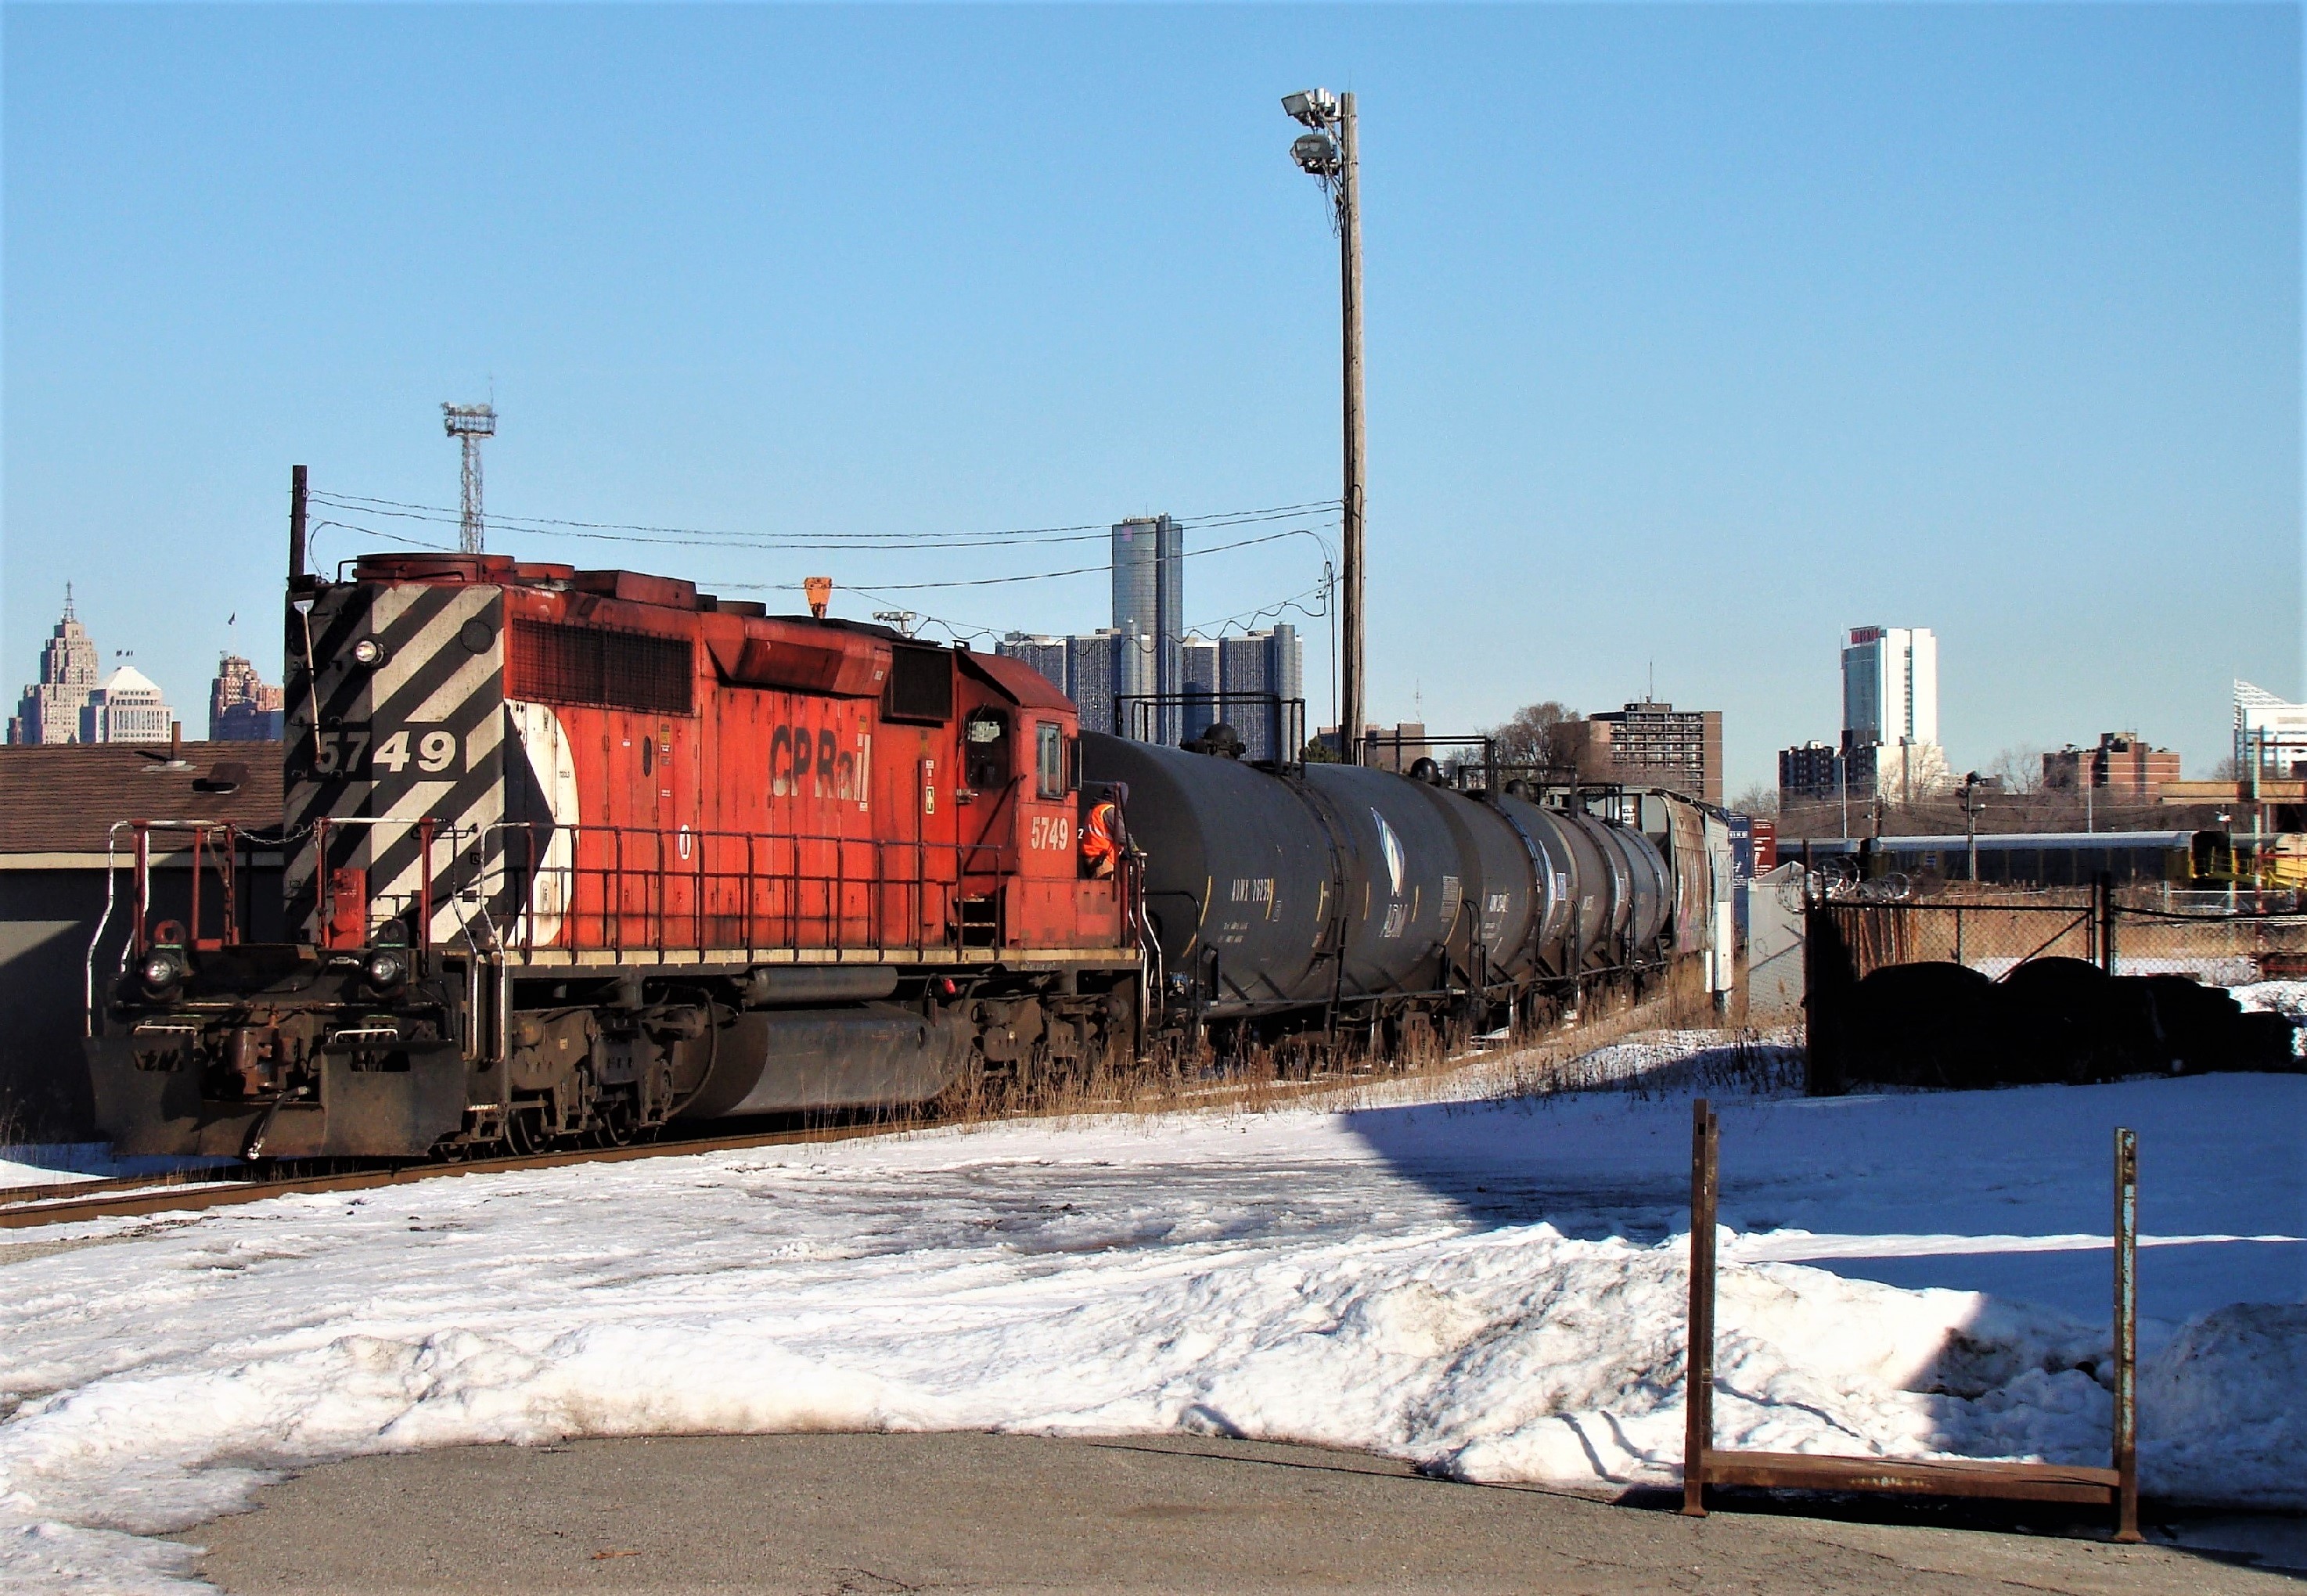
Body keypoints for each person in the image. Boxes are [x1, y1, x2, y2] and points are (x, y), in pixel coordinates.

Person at [1080, 798, 1123, 879]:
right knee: (1106, 889)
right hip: (1102, 860)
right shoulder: (1109, 810)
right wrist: (1134, 849)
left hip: (1090, 859)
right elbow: (1122, 836)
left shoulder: (1094, 810)